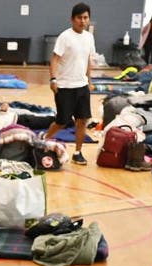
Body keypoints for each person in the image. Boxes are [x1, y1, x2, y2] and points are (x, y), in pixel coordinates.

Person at [43, 3, 96, 166]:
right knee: (62, 121)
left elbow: (88, 59)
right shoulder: (65, 37)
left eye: (85, 18)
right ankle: (44, 140)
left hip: (81, 87)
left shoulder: (89, 37)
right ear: (73, 19)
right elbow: (54, 59)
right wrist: (53, 79)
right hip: (65, 86)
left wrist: (89, 80)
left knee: (82, 120)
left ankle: (78, 152)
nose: (82, 21)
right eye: (79, 18)